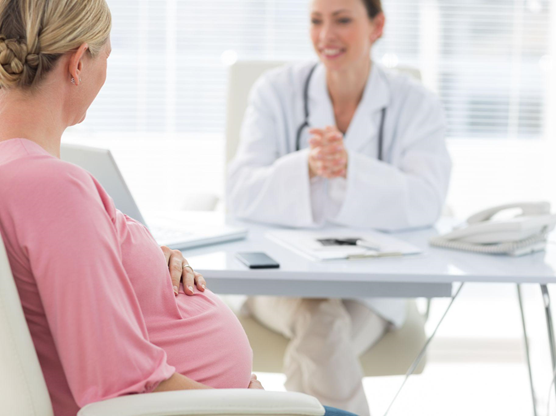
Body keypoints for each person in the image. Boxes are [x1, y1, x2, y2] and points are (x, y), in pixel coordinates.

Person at [0, 1, 354, 416]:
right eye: (106, 57)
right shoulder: (53, 187)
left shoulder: (24, 173)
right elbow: (121, 388)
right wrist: (252, 405)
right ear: (78, 63)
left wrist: (144, 260)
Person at [226, 0, 452, 414]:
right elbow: (240, 192)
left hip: (369, 289)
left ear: (377, 25)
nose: (326, 35)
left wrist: (353, 168)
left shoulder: (416, 103)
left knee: (320, 333)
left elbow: (428, 200)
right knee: (323, 324)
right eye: (316, 20)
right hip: (279, 283)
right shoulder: (275, 91)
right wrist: (307, 167)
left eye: (343, 20)